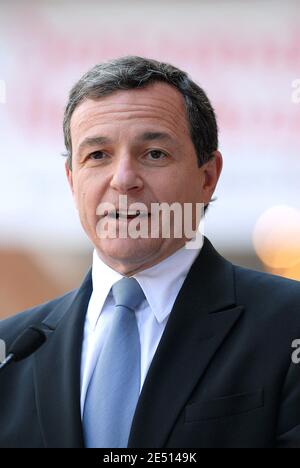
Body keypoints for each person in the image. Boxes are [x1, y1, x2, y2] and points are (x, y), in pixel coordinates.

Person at [0, 56, 300, 449]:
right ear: (72, 181)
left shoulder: (289, 323)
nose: (123, 179)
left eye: (154, 153)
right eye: (97, 156)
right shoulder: (12, 348)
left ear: (207, 177)